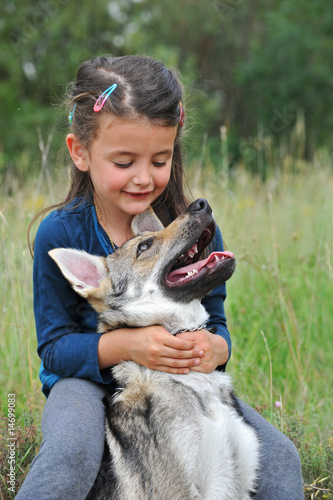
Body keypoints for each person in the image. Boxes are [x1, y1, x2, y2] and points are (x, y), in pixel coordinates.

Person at [17, 54, 304, 500]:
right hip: (86, 383)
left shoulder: (186, 230)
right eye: (125, 161)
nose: (143, 178)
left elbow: (215, 319)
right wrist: (129, 345)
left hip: (178, 380)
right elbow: (54, 349)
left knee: (281, 458)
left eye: (159, 159)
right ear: (81, 152)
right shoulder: (62, 233)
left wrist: (216, 346)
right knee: (71, 452)